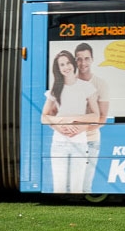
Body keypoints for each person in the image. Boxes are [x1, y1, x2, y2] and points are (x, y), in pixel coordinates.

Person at [41, 50, 100, 193]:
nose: (66, 67)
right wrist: (60, 127)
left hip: (80, 143)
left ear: (73, 64)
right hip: (59, 144)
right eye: (62, 65)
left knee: (76, 188)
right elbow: (44, 117)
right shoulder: (55, 90)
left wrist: (76, 123)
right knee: (59, 187)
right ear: (58, 69)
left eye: (68, 63)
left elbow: (96, 115)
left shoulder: (86, 87)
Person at [75, 42, 111, 192]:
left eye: (86, 58)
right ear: (75, 61)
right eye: (79, 59)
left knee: (85, 187)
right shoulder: (66, 83)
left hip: (91, 140)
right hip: (70, 140)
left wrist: (81, 129)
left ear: (92, 59)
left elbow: (102, 118)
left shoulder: (101, 84)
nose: (83, 63)